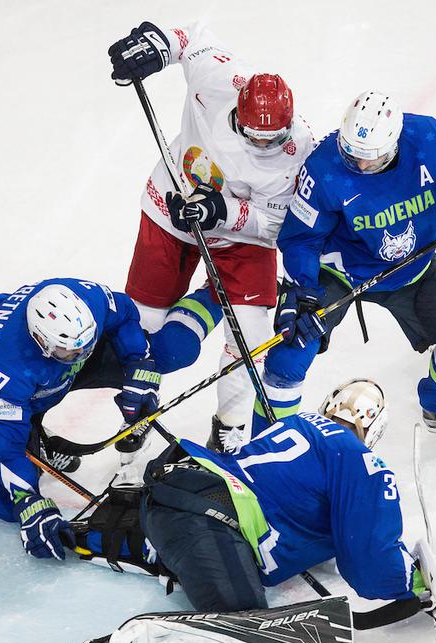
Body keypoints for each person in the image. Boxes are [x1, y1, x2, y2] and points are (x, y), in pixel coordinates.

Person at [66, 378, 436, 643]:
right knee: (251, 632)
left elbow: (292, 506)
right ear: (373, 429)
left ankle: (94, 535)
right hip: (209, 514)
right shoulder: (360, 459)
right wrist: (416, 582)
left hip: (174, 485)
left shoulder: (295, 424)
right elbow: (369, 561)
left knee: (197, 553)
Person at [107, 20, 315, 452]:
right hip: (169, 207)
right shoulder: (220, 80)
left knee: (251, 339)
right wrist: (157, 46)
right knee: (144, 331)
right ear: (238, 111)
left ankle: (231, 425)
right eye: (255, 136)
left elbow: (276, 225)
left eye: (272, 137)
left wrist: (222, 210)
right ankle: (141, 408)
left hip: (242, 237)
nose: (264, 145)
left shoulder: (298, 152)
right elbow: (194, 37)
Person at [252, 89, 436, 440]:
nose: (358, 164)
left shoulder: (430, 138)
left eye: (370, 158)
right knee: (289, 354)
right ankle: (266, 446)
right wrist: (304, 292)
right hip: (340, 270)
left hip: (411, 267)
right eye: (351, 153)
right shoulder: (324, 168)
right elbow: (301, 239)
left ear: (395, 142)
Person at [0, 278, 162, 560]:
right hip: (10, 384)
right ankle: (36, 437)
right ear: (40, 339)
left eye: (85, 345)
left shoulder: (88, 301)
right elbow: (4, 450)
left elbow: (124, 313)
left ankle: (39, 437)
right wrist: (28, 500)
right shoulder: (3, 372)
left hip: (45, 375)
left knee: (166, 351)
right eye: (70, 350)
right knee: (5, 504)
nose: (80, 354)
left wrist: (140, 361)